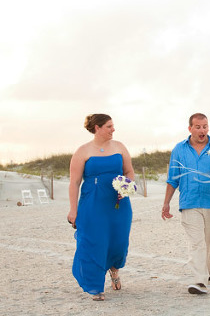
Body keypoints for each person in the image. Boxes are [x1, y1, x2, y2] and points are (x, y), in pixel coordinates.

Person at [161, 113, 210, 295]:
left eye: (205, 126)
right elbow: (172, 179)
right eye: (198, 127)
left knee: (209, 242)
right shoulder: (179, 149)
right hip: (189, 203)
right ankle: (200, 281)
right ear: (190, 128)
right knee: (197, 243)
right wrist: (166, 203)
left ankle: (206, 272)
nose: (202, 130)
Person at [68, 114, 135, 301]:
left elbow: (129, 171)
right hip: (93, 204)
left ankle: (114, 270)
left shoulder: (120, 147)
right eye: (109, 126)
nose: (113, 129)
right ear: (97, 128)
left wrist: (126, 187)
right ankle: (96, 286)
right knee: (95, 242)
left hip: (118, 203)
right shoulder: (83, 151)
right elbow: (74, 183)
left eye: (113, 126)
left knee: (119, 243)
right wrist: (73, 210)